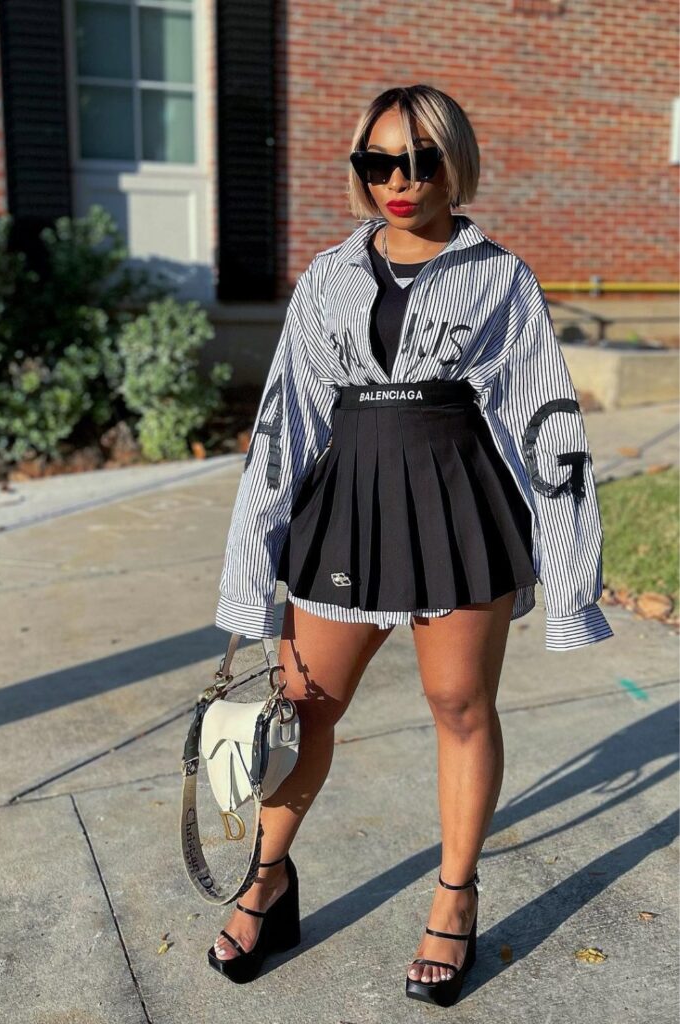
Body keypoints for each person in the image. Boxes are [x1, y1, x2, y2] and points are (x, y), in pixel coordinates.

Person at [209, 84, 614, 1005]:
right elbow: (285, 419)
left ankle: (454, 893)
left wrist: (571, 566)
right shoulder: (327, 276)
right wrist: (248, 560)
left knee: (458, 704)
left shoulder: (501, 276)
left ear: (453, 163)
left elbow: (543, 416)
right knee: (303, 704)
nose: (400, 180)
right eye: (379, 161)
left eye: (422, 160)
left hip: (456, 499)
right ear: (359, 169)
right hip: (344, 503)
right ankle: (268, 881)